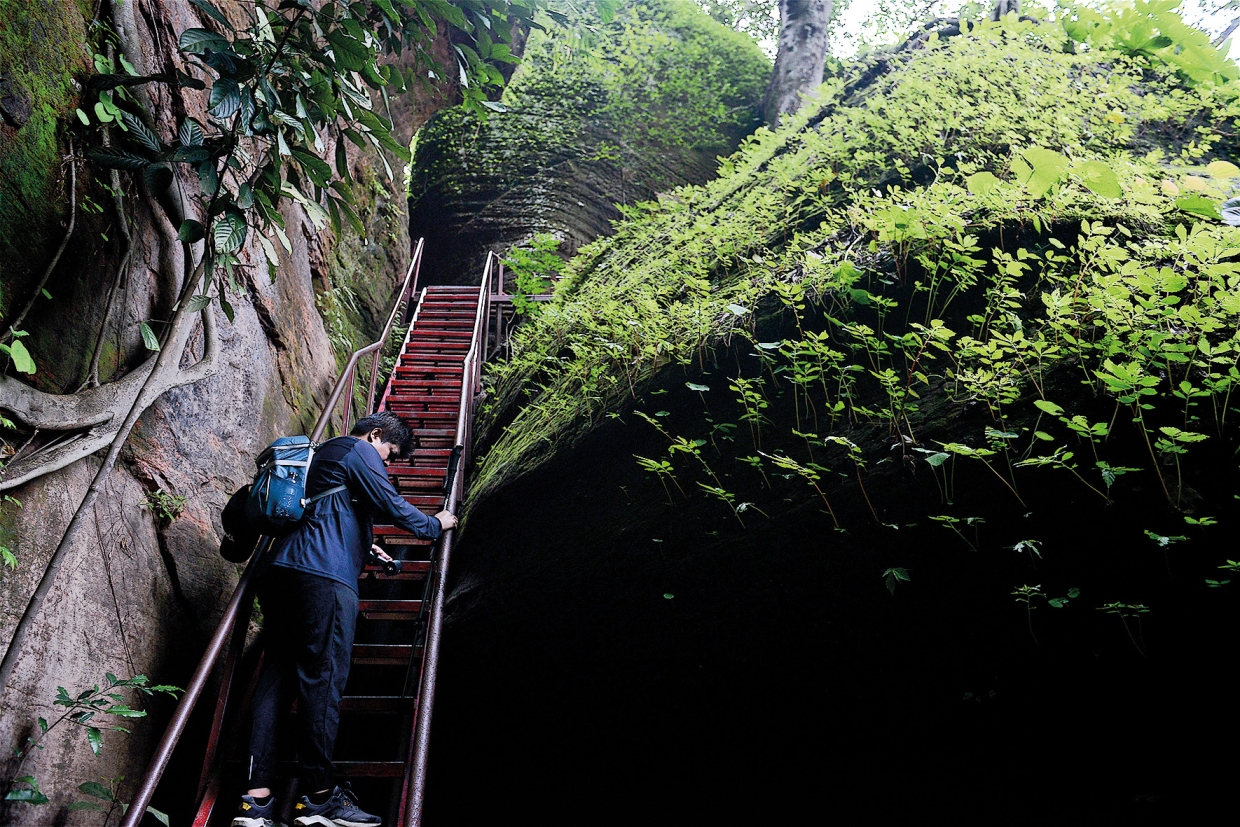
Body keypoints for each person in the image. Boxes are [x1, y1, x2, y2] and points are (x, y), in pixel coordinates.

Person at [232, 412, 458, 827]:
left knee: (276, 682)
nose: (388, 463)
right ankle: (319, 798)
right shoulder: (357, 449)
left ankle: (256, 802)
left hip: (282, 573)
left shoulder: (323, 455)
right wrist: (433, 524)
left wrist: (367, 547)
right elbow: (388, 502)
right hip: (324, 579)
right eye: (390, 453)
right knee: (322, 682)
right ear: (376, 435)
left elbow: (324, 512)